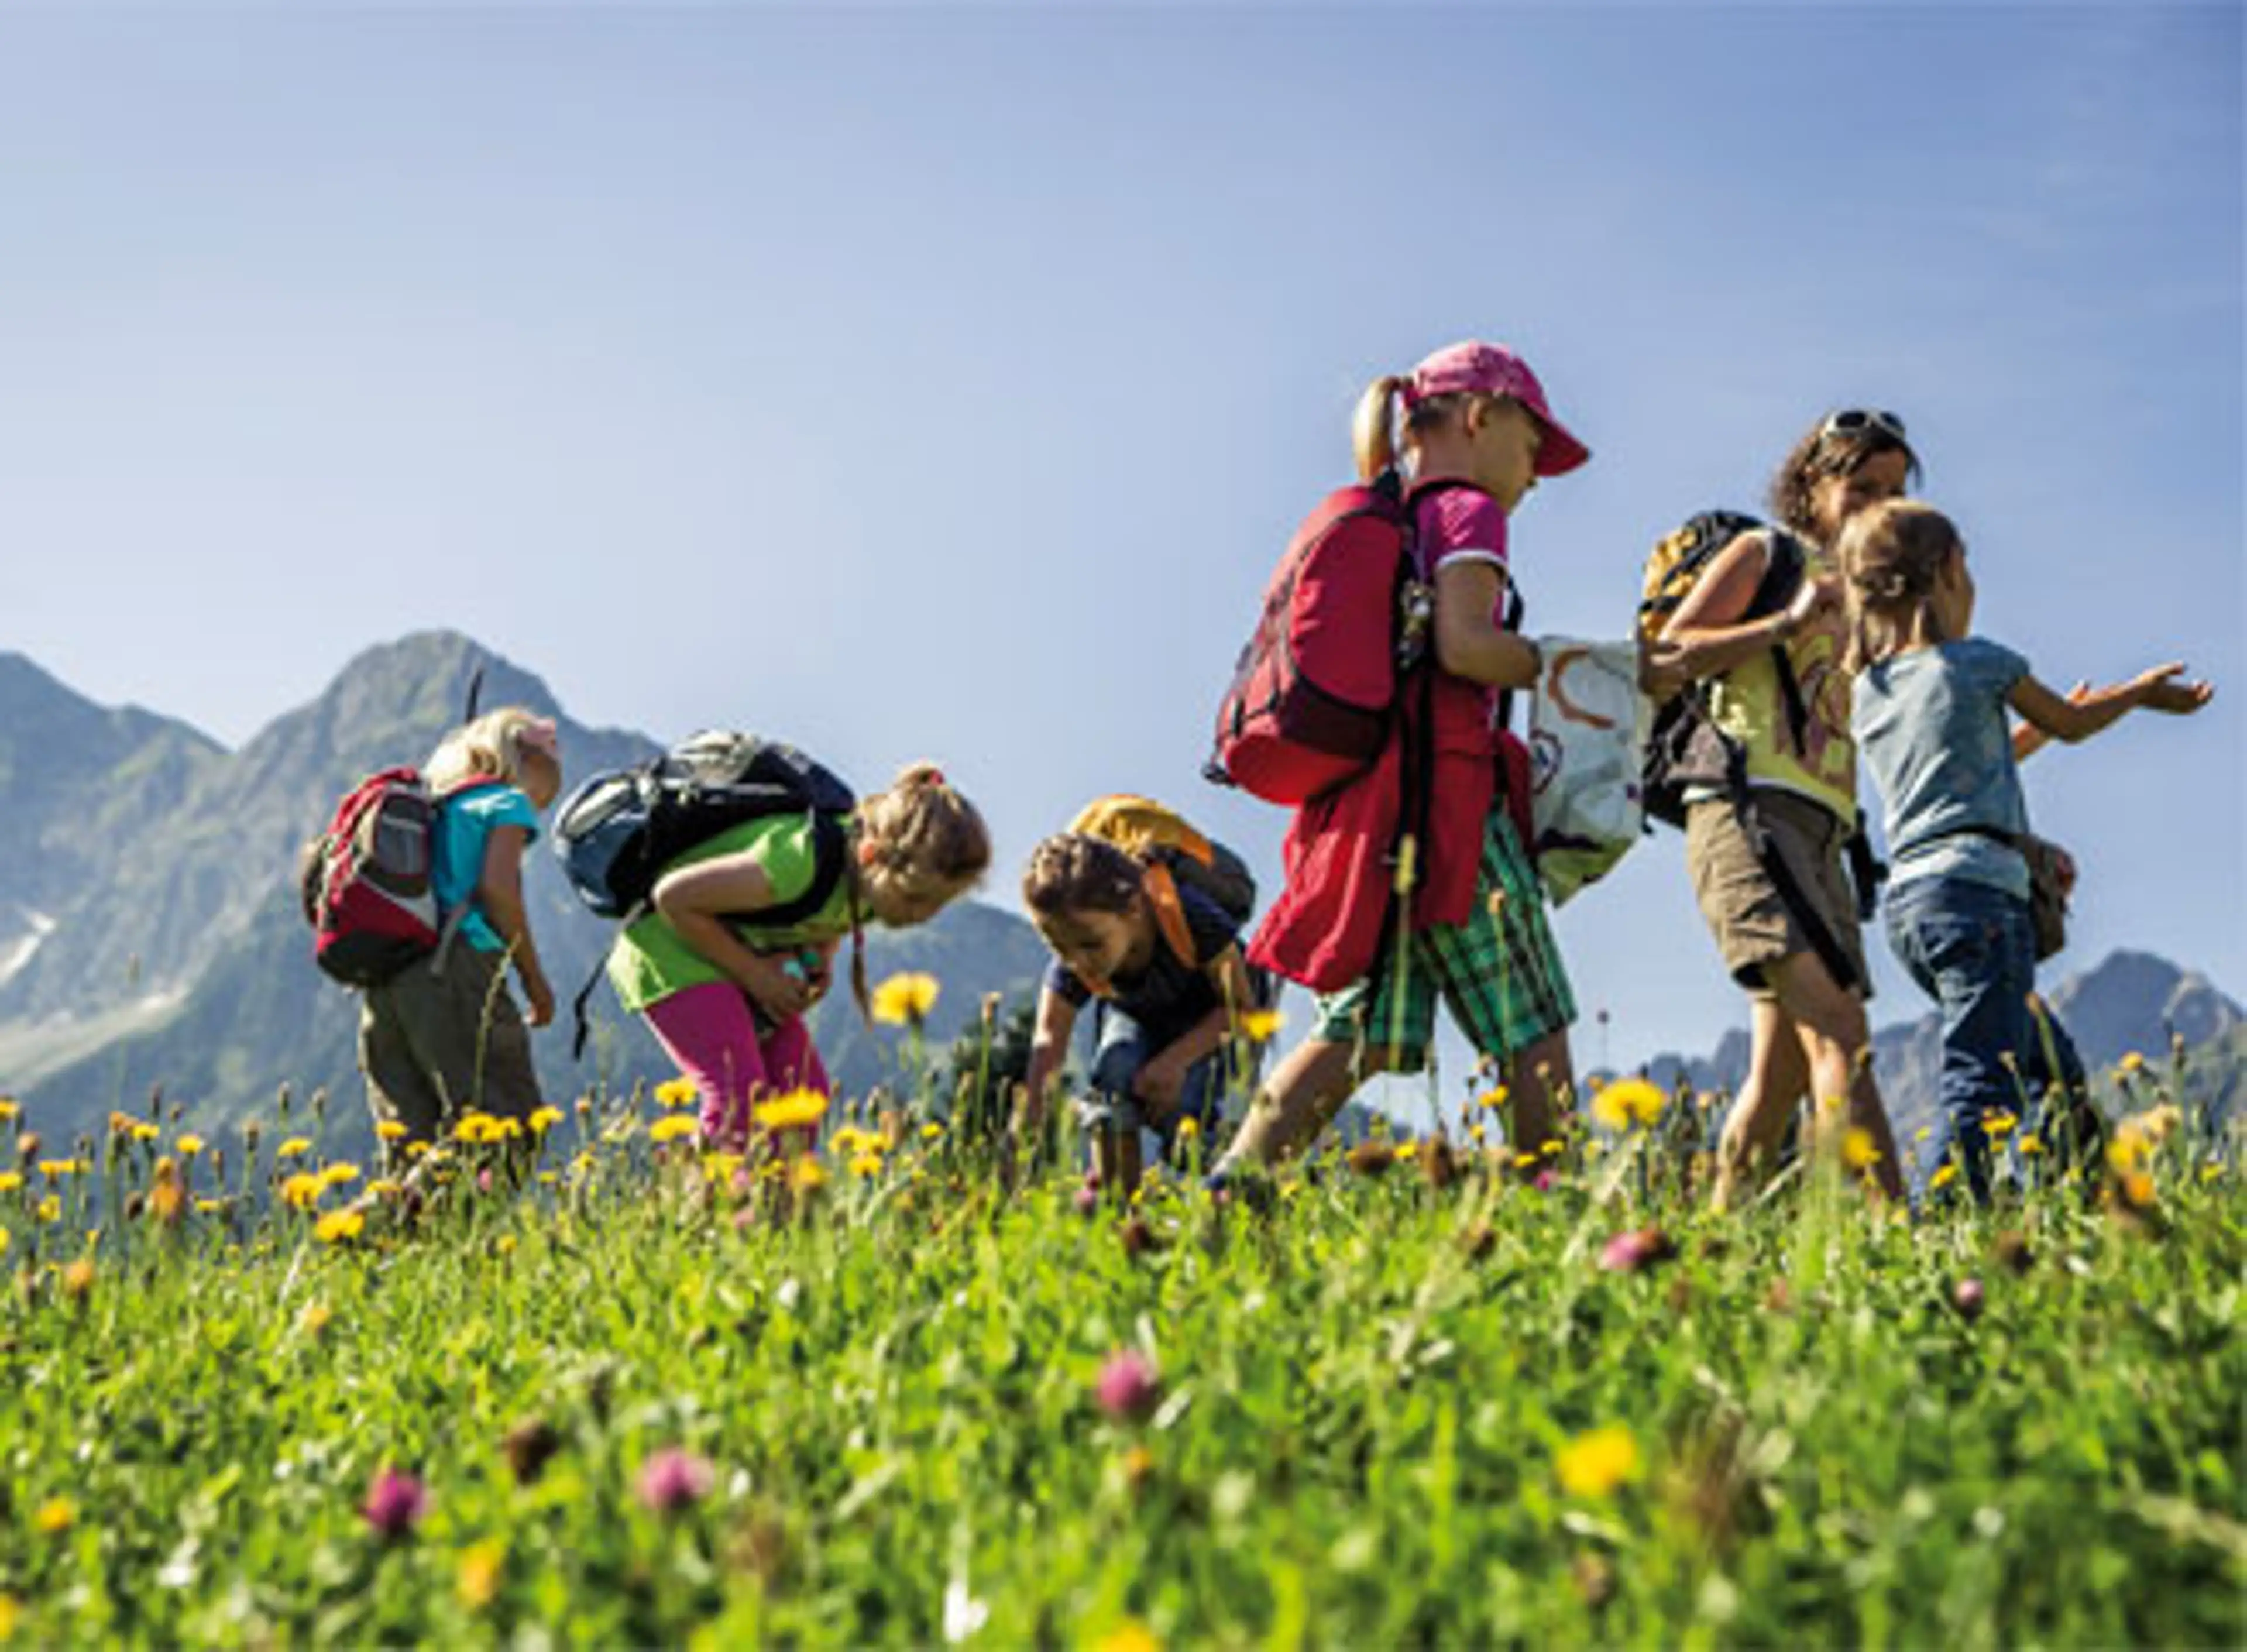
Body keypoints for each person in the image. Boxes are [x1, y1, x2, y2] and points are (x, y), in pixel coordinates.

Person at [1213, 339, 1589, 1182]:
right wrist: (1568, 662)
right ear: (1479, 416)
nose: (1533, 476)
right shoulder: (1467, 512)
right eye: (1532, 448)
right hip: (1455, 804)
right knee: (1534, 1029)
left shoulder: (1393, 516)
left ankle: (1229, 1188)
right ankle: (1558, 1215)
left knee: (1360, 1031)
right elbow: (1465, 647)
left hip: (1377, 814)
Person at [1841, 498, 2212, 1203]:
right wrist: (2135, 695)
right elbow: (2073, 723)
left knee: (2051, 1068)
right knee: (1987, 1075)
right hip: (1981, 897)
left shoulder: (1872, 690)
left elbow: (1949, 771)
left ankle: (2085, 1202)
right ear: (1949, 571)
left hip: (1914, 908)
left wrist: (2028, 738)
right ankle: (1943, 1224)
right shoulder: (1982, 663)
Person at [1645, 408, 1920, 1207]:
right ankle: (1901, 1240)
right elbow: (1666, 657)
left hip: (1826, 834)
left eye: (1896, 492)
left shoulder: (1872, 608)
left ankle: (1716, 1234)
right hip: (1745, 808)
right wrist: (1789, 620)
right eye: (1862, 487)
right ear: (1812, 488)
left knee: (1781, 1075)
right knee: (1841, 1033)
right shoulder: (1768, 554)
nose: (1881, 506)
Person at [606, 762, 989, 1153]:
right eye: (916, 898)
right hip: (671, 949)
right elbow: (673, 896)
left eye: (939, 904)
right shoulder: (797, 859)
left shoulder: (877, 889)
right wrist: (754, 973)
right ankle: (716, 1204)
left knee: (802, 1092)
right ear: (871, 854)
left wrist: (819, 955)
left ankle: (780, 1205)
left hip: (735, 956)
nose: (921, 915)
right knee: (739, 1093)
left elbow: (826, 914)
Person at [359, 707, 562, 1158]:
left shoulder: (436, 808)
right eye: (550, 745)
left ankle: (359, 1228)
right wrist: (534, 980)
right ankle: (370, 1229)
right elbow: (498, 890)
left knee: (415, 1146)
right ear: (520, 753)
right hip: (459, 969)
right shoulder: (506, 802)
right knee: (508, 1135)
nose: (557, 757)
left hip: (388, 978)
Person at [1017, 832, 1261, 1198]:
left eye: (1090, 945)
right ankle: (1118, 1208)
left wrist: (1174, 1061)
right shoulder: (1078, 948)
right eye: (1059, 948)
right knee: (1113, 1071)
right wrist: (1021, 1137)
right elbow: (1048, 1041)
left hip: (1213, 1017)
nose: (1078, 963)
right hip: (1141, 1014)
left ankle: (1227, 1202)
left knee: (1187, 1116)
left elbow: (1241, 1008)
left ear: (1133, 908)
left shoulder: (1192, 917)